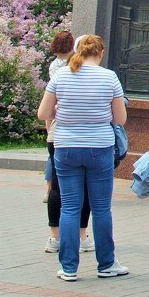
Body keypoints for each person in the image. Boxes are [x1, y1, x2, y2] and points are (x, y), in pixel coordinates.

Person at [36, 35, 128, 282]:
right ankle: (106, 264)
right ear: (101, 52)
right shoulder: (109, 77)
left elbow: (43, 112)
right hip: (99, 147)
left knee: (70, 207)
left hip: (65, 146)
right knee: (100, 209)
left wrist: (65, 112)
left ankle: (68, 268)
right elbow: (120, 119)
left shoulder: (61, 76)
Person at [43, 31, 93, 254]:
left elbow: (45, 111)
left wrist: (51, 125)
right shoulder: (100, 76)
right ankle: (82, 237)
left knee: (57, 187)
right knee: (84, 189)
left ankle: (55, 238)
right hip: (90, 140)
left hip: (59, 136)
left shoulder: (58, 74)